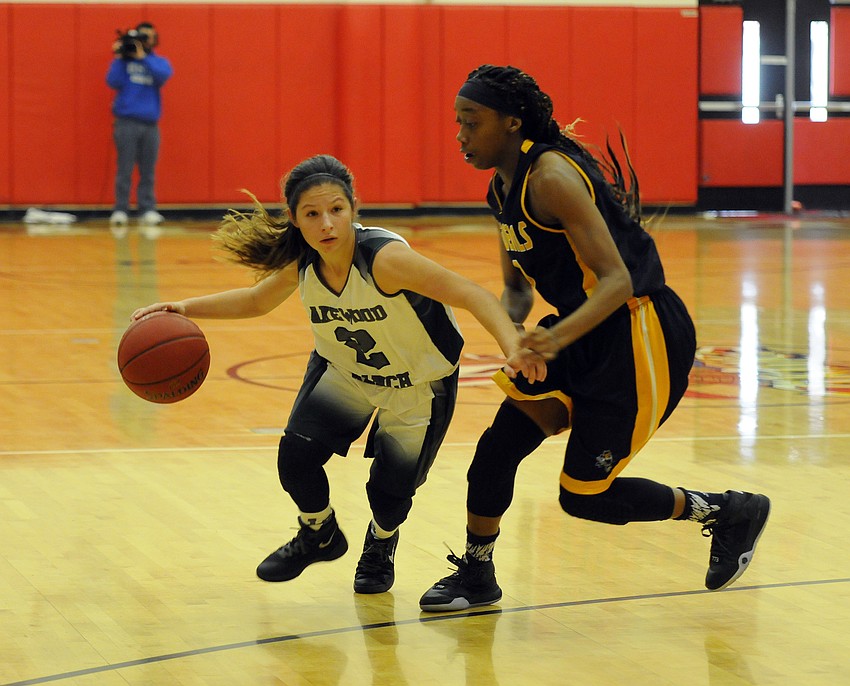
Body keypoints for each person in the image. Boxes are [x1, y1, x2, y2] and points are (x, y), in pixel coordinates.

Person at [418, 65, 771, 612]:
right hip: (579, 329)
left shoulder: (552, 177)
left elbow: (617, 280)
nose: (460, 134)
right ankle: (477, 576)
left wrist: (551, 340)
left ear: (512, 123)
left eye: (471, 122)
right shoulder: (501, 187)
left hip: (638, 333)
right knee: (495, 451)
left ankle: (727, 510)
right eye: (457, 122)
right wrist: (514, 338)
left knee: (584, 497)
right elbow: (516, 295)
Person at [132, 154, 546, 594]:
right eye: (312, 214)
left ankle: (381, 543)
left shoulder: (385, 260)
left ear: (354, 210)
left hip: (417, 385)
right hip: (346, 374)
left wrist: (512, 345)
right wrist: (181, 308)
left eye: (336, 210)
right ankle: (319, 534)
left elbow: (470, 292)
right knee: (295, 460)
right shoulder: (305, 262)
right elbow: (255, 301)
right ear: (294, 219)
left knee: (388, 496)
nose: (326, 224)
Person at [107, 22, 172, 229]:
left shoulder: (157, 62)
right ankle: (120, 209)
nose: (144, 41)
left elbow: (164, 76)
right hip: (126, 123)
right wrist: (119, 56)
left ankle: (147, 210)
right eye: (140, 37)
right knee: (124, 169)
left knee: (148, 170)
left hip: (150, 125)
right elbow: (112, 81)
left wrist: (143, 57)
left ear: (154, 40)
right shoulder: (123, 63)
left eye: (148, 37)